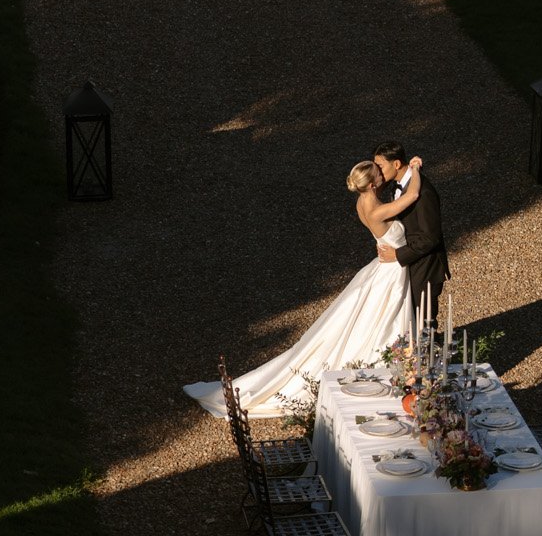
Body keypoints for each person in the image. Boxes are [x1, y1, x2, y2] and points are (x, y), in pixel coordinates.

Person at [183, 158, 422, 419]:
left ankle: (396, 368)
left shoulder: (361, 204)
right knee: (383, 319)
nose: (383, 175)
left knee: (368, 321)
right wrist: (415, 168)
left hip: (383, 265)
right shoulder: (377, 211)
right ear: (374, 182)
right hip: (390, 272)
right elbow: (414, 194)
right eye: (379, 173)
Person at [373, 141, 449, 325]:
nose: (377, 171)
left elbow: (430, 237)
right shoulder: (397, 184)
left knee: (422, 320)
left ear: (396, 164)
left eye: (380, 166)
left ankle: (429, 353)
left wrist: (398, 254)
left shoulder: (423, 193)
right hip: (409, 264)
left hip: (424, 266)